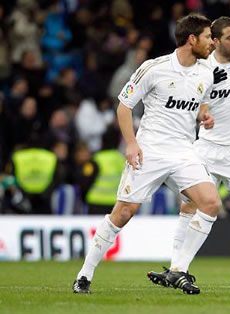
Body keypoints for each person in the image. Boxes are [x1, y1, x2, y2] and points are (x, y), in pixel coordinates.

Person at [72, 13, 221, 295]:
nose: (212, 43)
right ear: (192, 39)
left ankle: (179, 269)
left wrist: (205, 116)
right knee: (124, 212)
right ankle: (84, 274)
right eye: (207, 37)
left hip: (183, 151)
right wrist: (131, 143)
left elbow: (202, 104)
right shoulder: (154, 68)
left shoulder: (206, 72)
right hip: (150, 149)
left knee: (210, 203)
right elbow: (124, 106)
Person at [146, 16, 230, 288]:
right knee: (190, 203)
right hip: (206, 147)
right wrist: (203, 114)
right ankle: (175, 268)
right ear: (215, 40)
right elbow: (189, 104)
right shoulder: (201, 66)